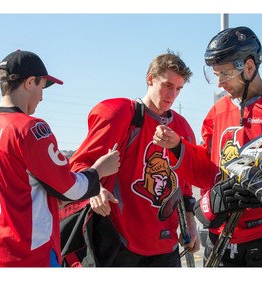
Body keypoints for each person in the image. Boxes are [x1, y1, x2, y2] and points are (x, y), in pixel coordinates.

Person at [153, 26, 262, 267]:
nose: (219, 83)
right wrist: (178, 148)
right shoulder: (216, 113)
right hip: (222, 237)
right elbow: (208, 171)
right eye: (214, 74)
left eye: (224, 74)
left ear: (249, 67)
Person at [0, 50, 120, 267]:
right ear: (30, 82)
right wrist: (98, 170)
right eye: (42, 87)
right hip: (29, 256)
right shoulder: (30, 128)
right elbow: (69, 188)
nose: (42, 96)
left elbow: (19, 188)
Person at [65, 51, 200, 267]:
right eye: (167, 85)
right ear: (150, 78)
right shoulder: (122, 115)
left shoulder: (183, 128)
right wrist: (95, 190)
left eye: (178, 88)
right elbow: (79, 165)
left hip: (166, 246)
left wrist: (191, 223)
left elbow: (183, 185)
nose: (172, 94)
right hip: (120, 243)